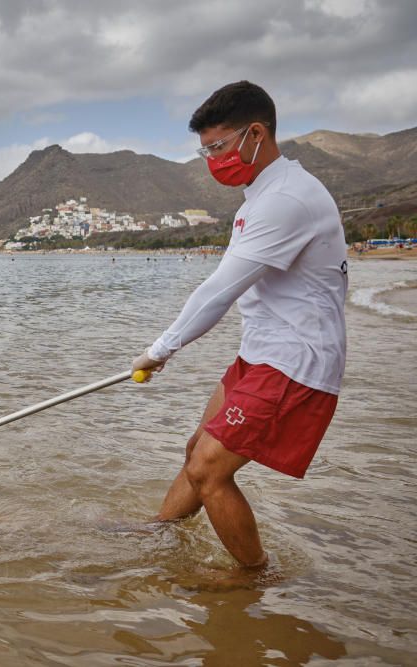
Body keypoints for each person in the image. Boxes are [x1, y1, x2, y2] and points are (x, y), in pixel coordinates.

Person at [132, 81, 347, 568]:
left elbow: (219, 291)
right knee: (197, 451)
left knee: (210, 467)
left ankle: (253, 576)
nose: (211, 160)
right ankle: (157, 536)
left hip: (297, 360)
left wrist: (159, 349)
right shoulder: (261, 196)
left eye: (218, 146)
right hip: (261, 352)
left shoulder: (286, 199)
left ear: (256, 133)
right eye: (204, 149)